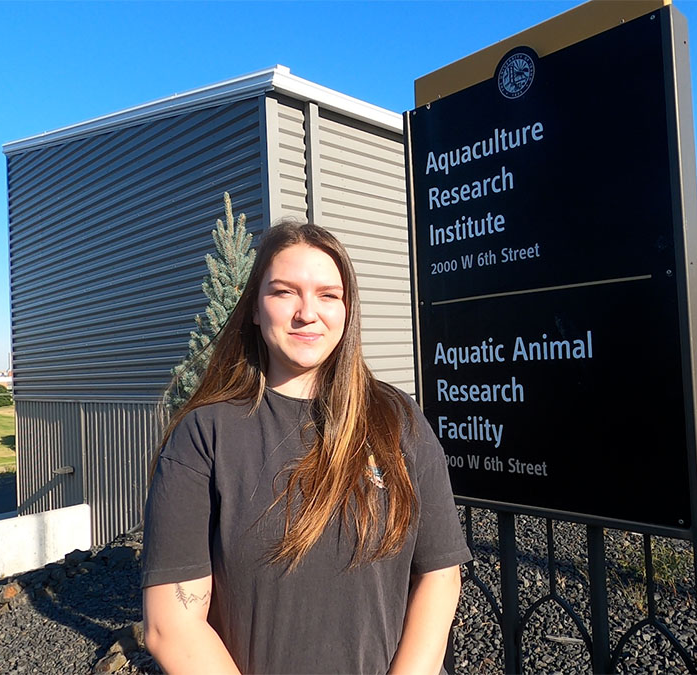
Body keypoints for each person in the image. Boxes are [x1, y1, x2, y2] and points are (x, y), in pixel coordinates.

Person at [141, 221, 471, 674]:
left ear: (346, 309)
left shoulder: (398, 420)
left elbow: (440, 574)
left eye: (327, 295)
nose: (307, 312)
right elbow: (171, 625)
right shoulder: (204, 436)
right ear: (255, 308)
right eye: (284, 292)